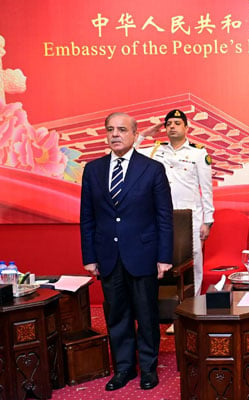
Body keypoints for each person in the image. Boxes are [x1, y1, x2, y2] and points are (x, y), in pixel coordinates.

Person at [80, 112, 173, 391]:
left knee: (146, 314)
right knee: (116, 315)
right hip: (107, 255)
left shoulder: (152, 169)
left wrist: (164, 257)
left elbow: (164, 217)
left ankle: (147, 368)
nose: (115, 134)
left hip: (143, 254)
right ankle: (123, 368)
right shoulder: (93, 170)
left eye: (122, 129)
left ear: (134, 135)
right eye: (110, 129)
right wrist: (90, 257)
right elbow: (87, 217)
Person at [136, 109, 214, 299]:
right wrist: (145, 134)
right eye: (169, 124)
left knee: (193, 261)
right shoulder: (156, 150)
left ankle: (192, 306)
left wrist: (208, 221)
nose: (172, 126)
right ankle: (165, 307)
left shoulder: (198, 153)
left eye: (177, 123)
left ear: (186, 128)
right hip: (160, 216)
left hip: (190, 217)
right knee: (161, 260)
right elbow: (130, 151)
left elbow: (207, 189)